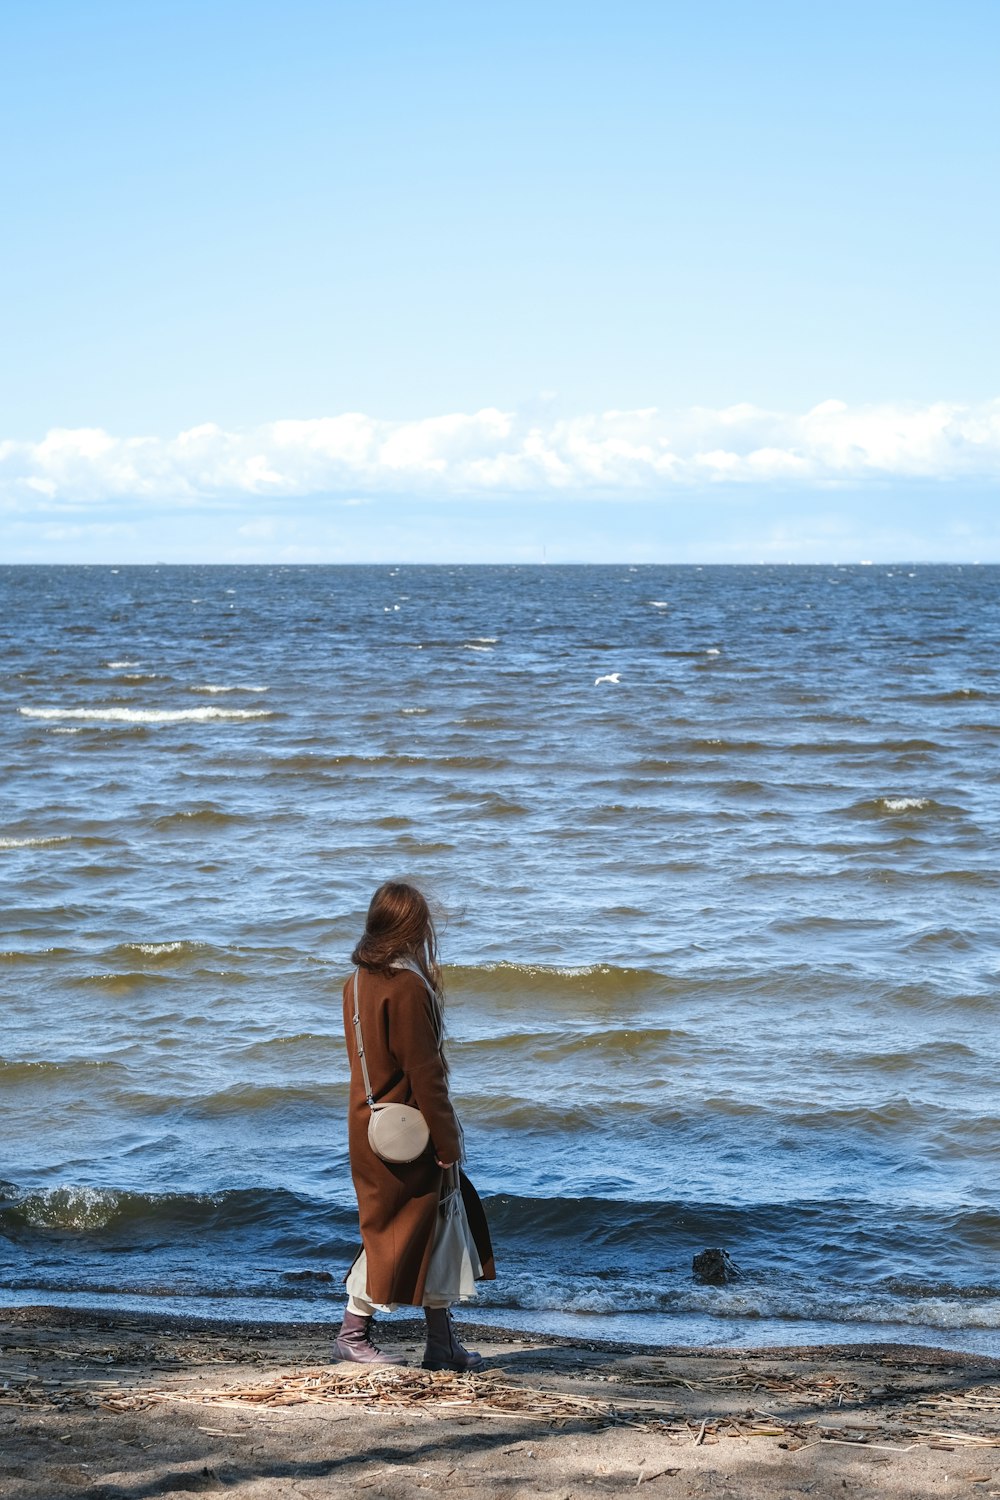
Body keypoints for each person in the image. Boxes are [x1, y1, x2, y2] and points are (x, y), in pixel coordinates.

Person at [335, 881, 495, 1369]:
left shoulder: (357, 982)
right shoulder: (405, 986)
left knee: (426, 1228)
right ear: (410, 927)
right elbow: (425, 1074)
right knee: (402, 1233)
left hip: (371, 1128)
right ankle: (352, 1332)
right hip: (410, 1135)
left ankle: (441, 1343)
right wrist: (449, 1141)